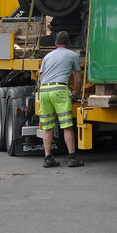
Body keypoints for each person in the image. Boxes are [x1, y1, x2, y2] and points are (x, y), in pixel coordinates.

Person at [38, 31, 84, 168]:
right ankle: (72, 158)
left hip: (44, 90)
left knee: (47, 127)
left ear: (55, 43)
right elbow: (78, 77)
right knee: (66, 126)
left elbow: (40, 76)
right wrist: (77, 93)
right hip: (59, 90)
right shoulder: (72, 55)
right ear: (68, 43)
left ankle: (48, 158)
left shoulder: (47, 56)